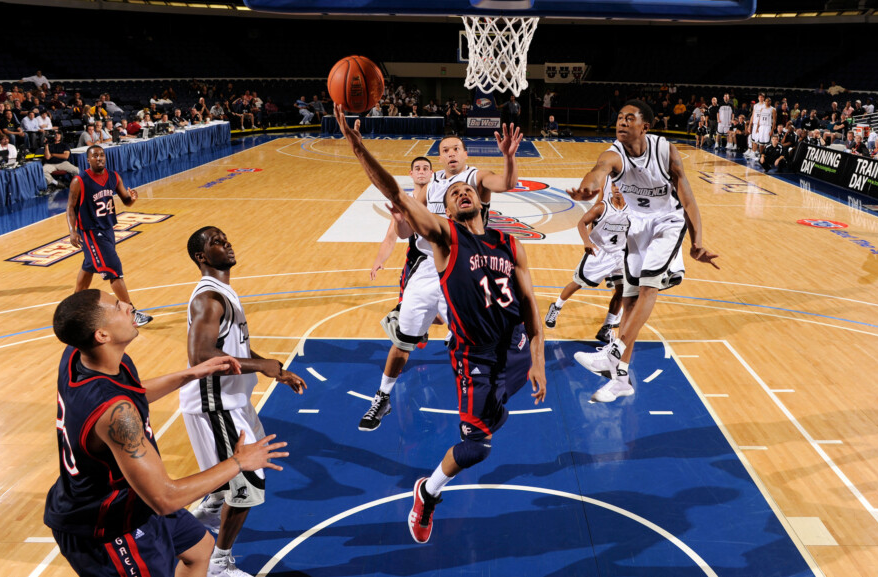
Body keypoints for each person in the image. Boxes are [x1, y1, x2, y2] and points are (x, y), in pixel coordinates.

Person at [335, 103, 545, 543]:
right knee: (476, 447)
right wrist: (358, 149)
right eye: (453, 196)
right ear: (444, 212)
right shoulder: (446, 238)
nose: (462, 194)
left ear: (479, 199)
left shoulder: (510, 244)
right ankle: (427, 493)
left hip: (515, 351)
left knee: (490, 424)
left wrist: (538, 360)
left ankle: (480, 421)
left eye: (466, 191)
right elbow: (396, 194)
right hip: (475, 357)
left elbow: (529, 304)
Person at [44, 289, 288, 577]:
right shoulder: (116, 412)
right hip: (107, 527)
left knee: (200, 549)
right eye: (118, 307)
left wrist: (191, 374)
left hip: (131, 499)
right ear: (102, 335)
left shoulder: (78, 357)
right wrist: (238, 462)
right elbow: (165, 498)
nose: (128, 306)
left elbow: (132, 394)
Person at [360, 129, 522, 432]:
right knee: (403, 340)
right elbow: (407, 232)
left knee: (474, 339)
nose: (451, 153)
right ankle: (382, 396)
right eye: (445, 150)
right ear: (440, 157)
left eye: (456, 148)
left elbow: (507, 183)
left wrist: (509, 157)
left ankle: (486, 398)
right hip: (425, 269)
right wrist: (400, 221)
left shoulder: (475, 178)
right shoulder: (429, 186)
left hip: (463, 266)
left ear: (465, 154)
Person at [568, 100, 719, 402]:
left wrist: (697, 242)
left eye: (629, 118)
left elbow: (688, 200)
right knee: (630, 300)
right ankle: (621, 379)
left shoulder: (665, 152)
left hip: (668, 221)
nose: (621, 122)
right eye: (619, 118)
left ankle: (614, 350)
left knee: (650, 285)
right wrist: (586, 189)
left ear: (645, 126)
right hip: (637, 224)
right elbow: (598, 171)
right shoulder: (614, 154)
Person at [181, 227, 307, 577]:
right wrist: (261, 366)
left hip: (233, 400)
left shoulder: (223, 292)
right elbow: (200, 355)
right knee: (249, 484)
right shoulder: (209, 298)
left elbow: (235, 348)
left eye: (226, 238)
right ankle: (218, 564)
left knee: (241, 476)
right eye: (216, 242)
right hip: (216, 404)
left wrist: (274, 369)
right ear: (201, 257)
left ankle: (208, 510)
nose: (227, 244)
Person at [66, 146, 153, 326]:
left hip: (107, 228)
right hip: (91, 231)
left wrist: (132, 199)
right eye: (94, 156)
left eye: (101, 155)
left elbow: (126, 201)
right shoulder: (79, 181)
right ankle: (131, 314)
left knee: (89, 265)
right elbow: (70, 208)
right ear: (88, 160)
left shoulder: (114, 176)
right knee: (114, 269)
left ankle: (73, 307)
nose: (99, 158)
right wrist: (72, 231)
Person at [544, 182, 630, 344]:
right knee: (577, 283)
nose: (617, 188)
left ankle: (606, 327)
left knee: (621, 290)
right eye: (614, 186)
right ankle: (556, 306)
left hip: (619, 254)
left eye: (620, 186)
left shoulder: (633, 208)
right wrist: (586, 242)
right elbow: (581, 223)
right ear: (610, 189)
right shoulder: (601, 207)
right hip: (599, 253)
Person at [368, 157, 434, 283]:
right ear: (411, 173)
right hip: (416, 260)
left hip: (441, 258)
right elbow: (390, 239)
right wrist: (379, 260)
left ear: (431, 173)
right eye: (417, 169)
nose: (421, 172)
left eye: (425, 169)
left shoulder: (440, 198)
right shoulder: (404, 203)